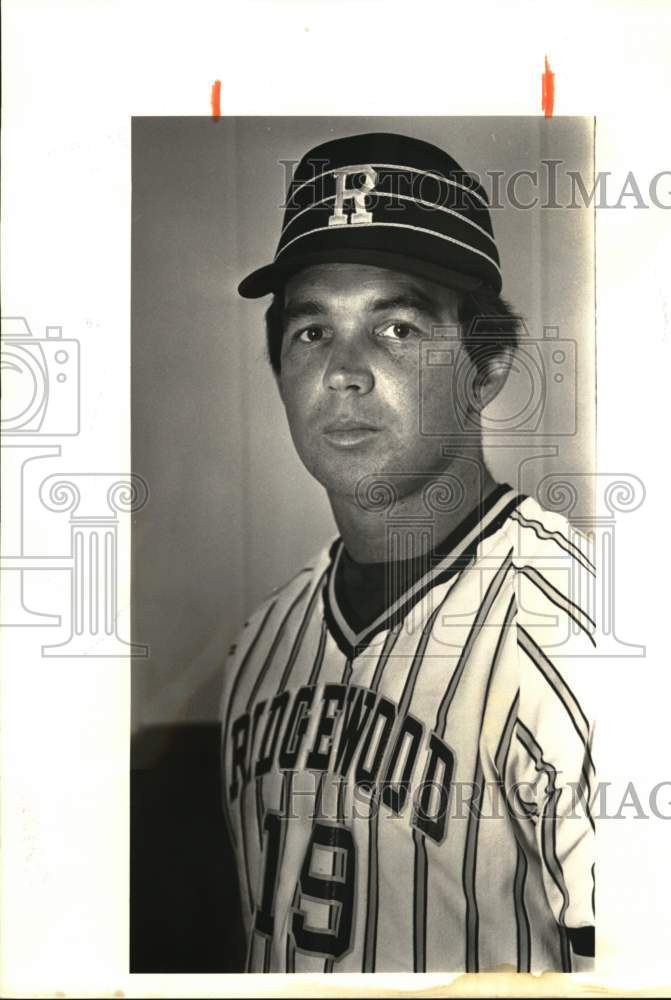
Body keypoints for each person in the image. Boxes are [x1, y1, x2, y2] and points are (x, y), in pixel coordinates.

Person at [221, 131, 596, 974]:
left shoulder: (581, 636)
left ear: (488, 365)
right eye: (312, 332)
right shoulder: (259, 644)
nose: (344, 372)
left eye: (395, 326)